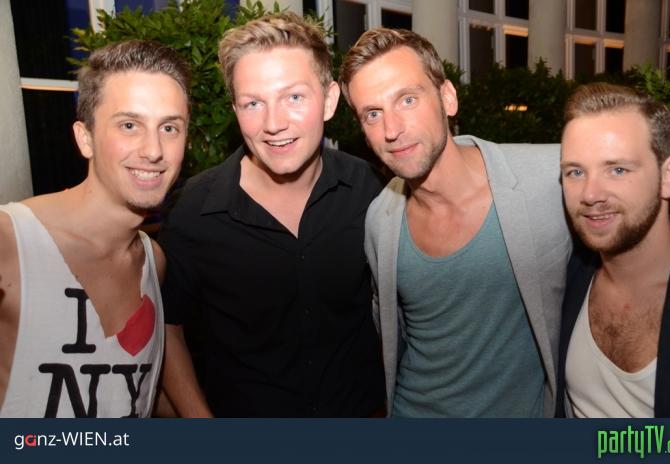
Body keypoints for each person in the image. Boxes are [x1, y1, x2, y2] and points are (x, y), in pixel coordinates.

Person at [159, 12, 385, 417]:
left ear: (329, 100)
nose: (274, 124)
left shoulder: (369, 188)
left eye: (294, 97)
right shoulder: (196, 209)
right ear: (235, 109)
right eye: (253, 103)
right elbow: (167, 324)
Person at [339, 28, 571, 418]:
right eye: (373, 114)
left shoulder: (550, 178)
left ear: (447, 97)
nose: (391, 130)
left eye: (407, 99)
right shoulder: (381, 218)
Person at [0, 40, 190, 417]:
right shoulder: (10, 241)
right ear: (85, 138)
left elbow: (132, 393)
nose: (154, 150)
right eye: (129, 125)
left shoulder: (153, 261)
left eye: (169, 127)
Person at [556, 83, 670, 418]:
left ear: (669, 175)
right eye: (575, 172)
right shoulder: (566, 272)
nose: (590, 194)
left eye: (617, 169)